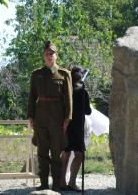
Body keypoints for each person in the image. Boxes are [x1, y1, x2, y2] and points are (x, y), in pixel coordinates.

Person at [27, 41, 73, 191]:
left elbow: (69, 99)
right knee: (42, 155)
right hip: (40, 120)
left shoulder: (64, 74)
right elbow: (32, 97)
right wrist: (30, 117)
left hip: (57, 120)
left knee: (55, 156)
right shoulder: (36, 74)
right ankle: (44, 185)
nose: (50, 56)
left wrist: (68, 118)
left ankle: (57, 187)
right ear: (43, 55)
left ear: (56, 55)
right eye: (47, 53)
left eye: (52, 53)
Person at [60, 66, 91, 191]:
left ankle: (62, 182)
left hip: (66, 126)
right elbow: (88, 111)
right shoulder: (83, 91)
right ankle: (72, 181)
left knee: (66, 153)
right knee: (79, 154)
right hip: (77, 127)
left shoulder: (64, 90)